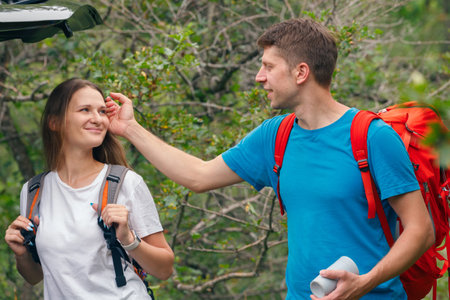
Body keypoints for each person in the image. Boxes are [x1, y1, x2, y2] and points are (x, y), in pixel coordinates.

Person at [105, 18, 434, 299]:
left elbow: (421, 231)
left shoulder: (372, 137)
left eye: (268, 66)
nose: (259, 77)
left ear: (301, 72)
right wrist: (130, 129)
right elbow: (198, 176)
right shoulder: (275, 136)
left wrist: (363, 284)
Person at [4, 78, 174, 299]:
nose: (97, 119)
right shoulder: (33, 191)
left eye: (102, 111)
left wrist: (129, 239)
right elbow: (36, 276)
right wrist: (21, 254)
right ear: (54, 122)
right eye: (85, 110)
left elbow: (165, 269)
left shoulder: (125, 183)